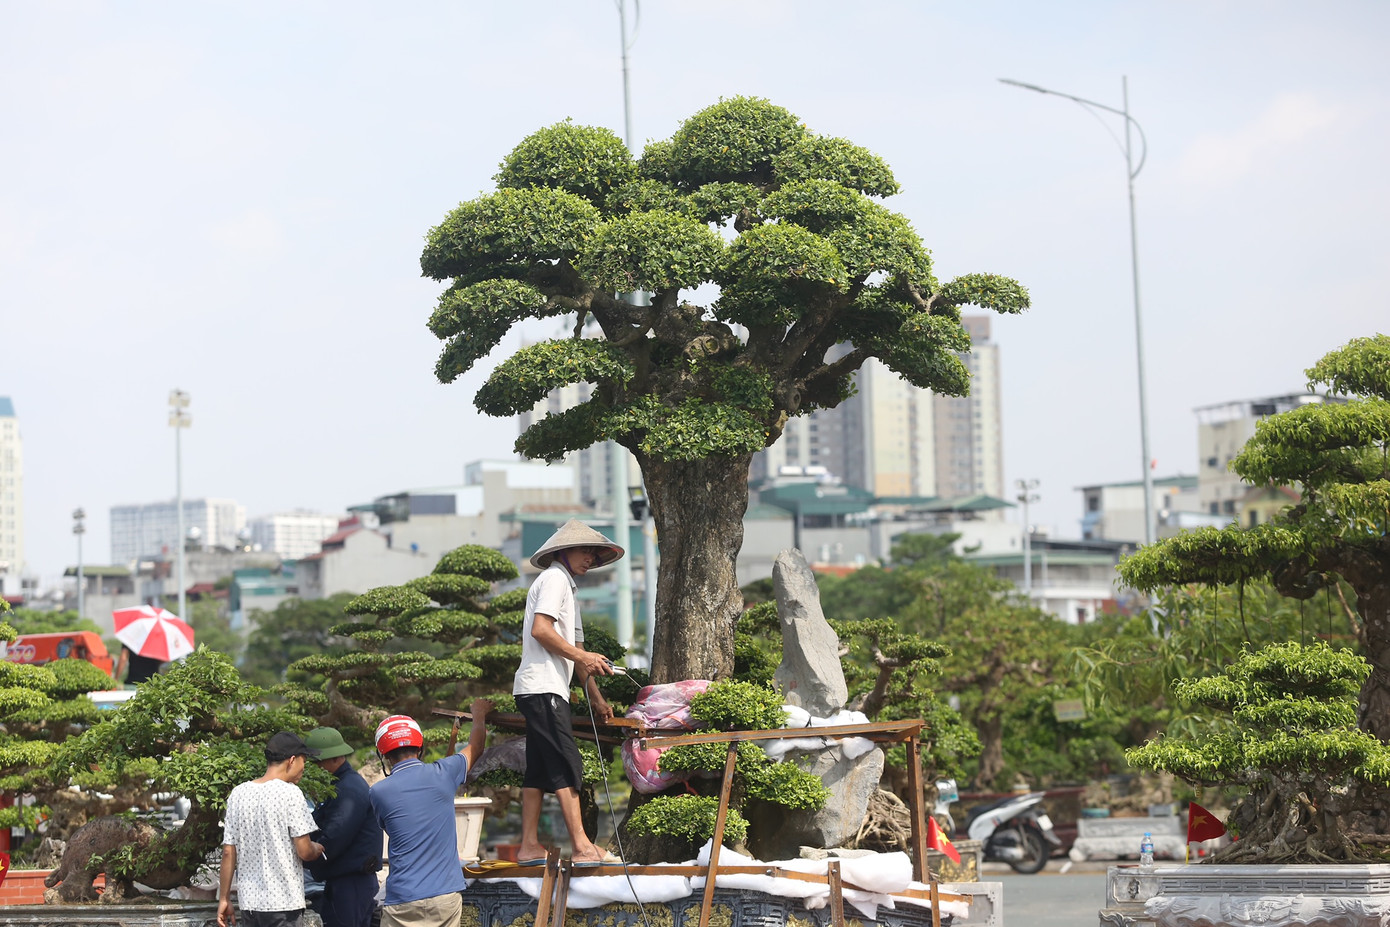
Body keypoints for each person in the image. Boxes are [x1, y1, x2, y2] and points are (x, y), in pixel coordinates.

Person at [514, 519, 623, 867]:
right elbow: (541, 630)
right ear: (564, 550)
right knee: (566, 763)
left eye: (594, 553)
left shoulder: (568, 589)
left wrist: (596, 697)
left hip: (544, 688)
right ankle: (582, 846)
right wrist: (583, 656)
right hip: (542, 686)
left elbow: (577, 653)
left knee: (538, 769)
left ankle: (529, 845)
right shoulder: (554, 579)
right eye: (585, 550)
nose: (590, 558)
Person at [369, 701, 491, 927]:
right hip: (444, 895)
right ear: (420, 747)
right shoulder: (444, 773)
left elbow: (390, 826)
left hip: (403, 900)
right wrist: (479, 715)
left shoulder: (378, 792)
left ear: (384, 755)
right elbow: (476, 747)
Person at [218, 731, 326, 927]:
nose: (304, 767)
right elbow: (304, 851)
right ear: (292, 760)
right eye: (304, 760)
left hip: (250, 904)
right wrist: (316, 849)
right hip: (284, 904)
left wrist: (224, 899)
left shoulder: (238, 793)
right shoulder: (290, 793)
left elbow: (228, 851)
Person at [303, 727, 383, 927]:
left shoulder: (348, 790)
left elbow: (333, 838)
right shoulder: (342, 784)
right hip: (348, 881)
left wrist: (303, 852)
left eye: (316, 762)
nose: (313, 768)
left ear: (333, 759)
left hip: (351, 883)